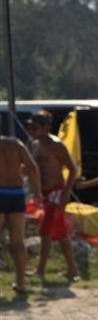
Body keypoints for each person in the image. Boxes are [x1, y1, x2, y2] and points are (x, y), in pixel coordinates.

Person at [25, 112, 80, 281]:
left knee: (45, 229)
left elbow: (72, 169)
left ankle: (40, 269)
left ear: (45, 128)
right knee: (61, 234)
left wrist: (65, 193)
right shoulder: (35, 145)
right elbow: (34, 170)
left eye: (34, 127)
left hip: (57, 192)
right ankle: (72, 269)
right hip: (45, 193)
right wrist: (37, 191)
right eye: (30, 127)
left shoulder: (56, 145)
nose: (31, 130)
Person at [1, 117, 43, 292]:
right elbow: (32, 167)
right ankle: (21, 283)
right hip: (17, 193)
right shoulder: (15, 143)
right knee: (18, 241)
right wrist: (38, 192)